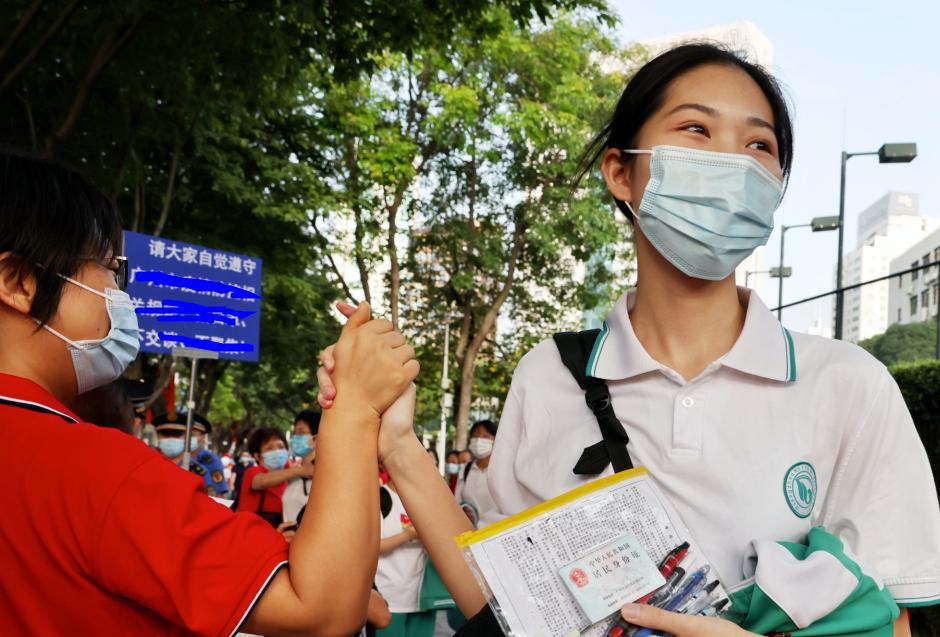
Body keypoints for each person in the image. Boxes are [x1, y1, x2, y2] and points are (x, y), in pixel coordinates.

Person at [317, 43, 940, 636]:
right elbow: (509, 605)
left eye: (760, 143)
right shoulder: (549, 374)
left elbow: (893, 620)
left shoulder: (847, 384)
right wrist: (394, 441)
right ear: (622, 172)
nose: (732, 160)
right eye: (696, 130)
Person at [0, 151, 419, 636]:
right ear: (19, 281)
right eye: (109, 269)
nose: (119, 293)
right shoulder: (87, 469)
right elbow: (322, 609)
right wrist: (355, 408)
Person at [375, 477, 436, 637]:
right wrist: (407, 535)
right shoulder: (379, 498)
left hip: (423, 596)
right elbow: (371, 547)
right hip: (389, 597)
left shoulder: (427, 500)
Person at [236, 427, 312, 527]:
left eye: (281, 447)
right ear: (257, 456)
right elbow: (261, 481)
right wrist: (298, 471)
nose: (277, 451)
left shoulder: (288, 479)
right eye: (269, 448)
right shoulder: (253, 472)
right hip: (252, 530)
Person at [154, 411, 229, 496]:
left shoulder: (203, 466)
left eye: (193, 435)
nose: (191, 438)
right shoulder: (153, 460)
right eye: (166, 435)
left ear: (203, 437)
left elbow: (216, 495)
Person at [453, 420, 498, 528]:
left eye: (485, 436)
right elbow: (457, 503)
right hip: (470, 533)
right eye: (475, 436)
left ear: (495, 439)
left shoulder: (502, 470)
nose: (479, 440)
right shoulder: (465, 469)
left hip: (496, 532)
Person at [282, 411, 320, 523]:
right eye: (295, 433)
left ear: (317, 437)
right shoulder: (295, 475)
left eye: (301, 432)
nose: (296, 437)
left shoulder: (324, 475)